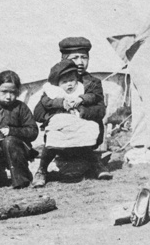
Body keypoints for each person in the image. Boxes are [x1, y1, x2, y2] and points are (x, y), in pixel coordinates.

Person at [33, 54, 106, 187]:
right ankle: (42, 170)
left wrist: (81, 103)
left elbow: (97, 103)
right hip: (60, 128)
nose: (70, 84)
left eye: (72, 80)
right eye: (65, 81)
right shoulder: (53, 92)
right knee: (53, 138)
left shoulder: (88, 85)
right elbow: (39, 111)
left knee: (86, 132)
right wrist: (59, 105)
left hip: (78, 126)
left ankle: (97, 165)